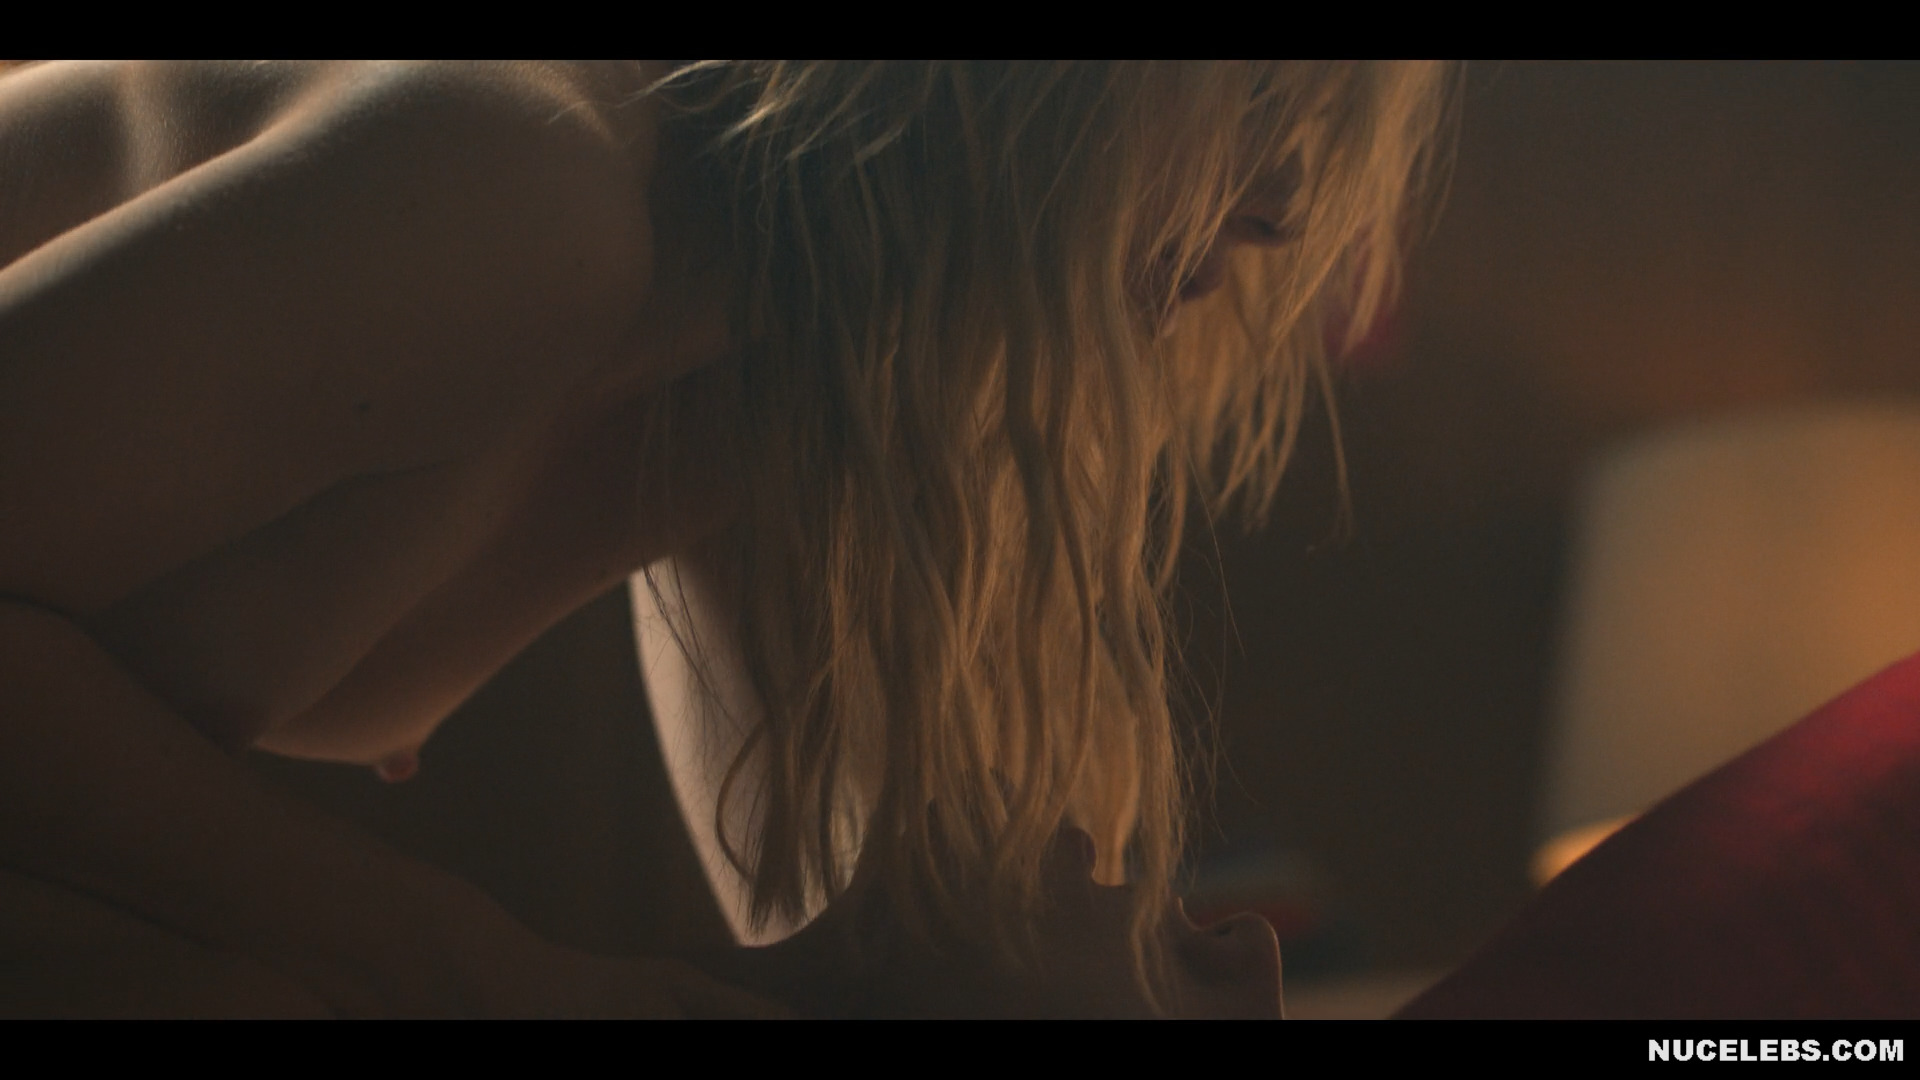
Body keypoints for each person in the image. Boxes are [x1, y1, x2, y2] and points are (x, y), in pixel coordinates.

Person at [0, 60, 1452, 1016]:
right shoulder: (517, 184)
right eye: (1258, 90)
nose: (1286, 209)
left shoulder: (772, 388)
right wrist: (505, 979)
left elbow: (871, 934)